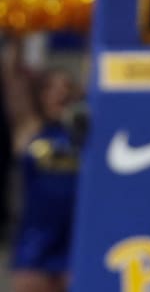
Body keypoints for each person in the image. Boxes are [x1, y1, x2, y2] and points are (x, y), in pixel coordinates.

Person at [10, 69, 81, 292]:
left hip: (73, 243)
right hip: (35, 244)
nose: (61, 92)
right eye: (53, 88)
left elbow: (93, 70)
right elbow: (15, 79)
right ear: (41, 95)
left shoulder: (83, 133)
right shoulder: (30, 128)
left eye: (67, 88)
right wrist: (16, 40)